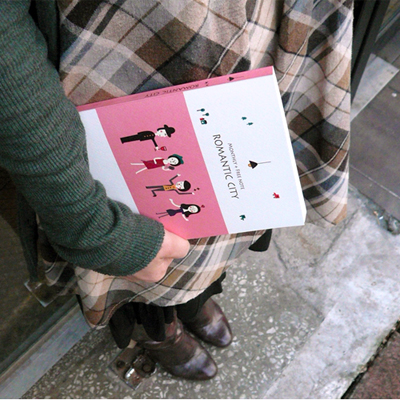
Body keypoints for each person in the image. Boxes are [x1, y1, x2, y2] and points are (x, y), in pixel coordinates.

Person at [0, 0, 352, 381]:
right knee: (149, 240)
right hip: (124, 71)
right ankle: (158, 329)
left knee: (221, 216)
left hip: (250, 41)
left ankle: (194, 299)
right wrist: (91, 225)